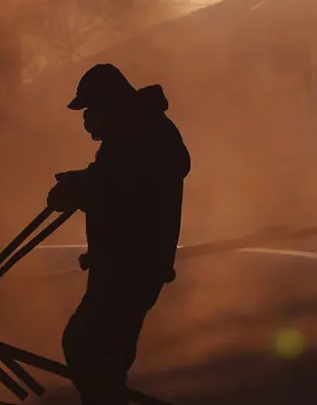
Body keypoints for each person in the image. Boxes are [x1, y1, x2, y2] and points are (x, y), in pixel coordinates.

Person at [46, 63, 191, 405]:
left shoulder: (144, 134)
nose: (86, 120)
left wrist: (79, 187)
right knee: (97, 352)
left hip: (130, 268)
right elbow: (114, 177)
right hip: (122, 266)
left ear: (108, 106)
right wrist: (79, 182)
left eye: (89, 110)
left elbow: (124, 185)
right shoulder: (133, 134)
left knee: (87, 347)